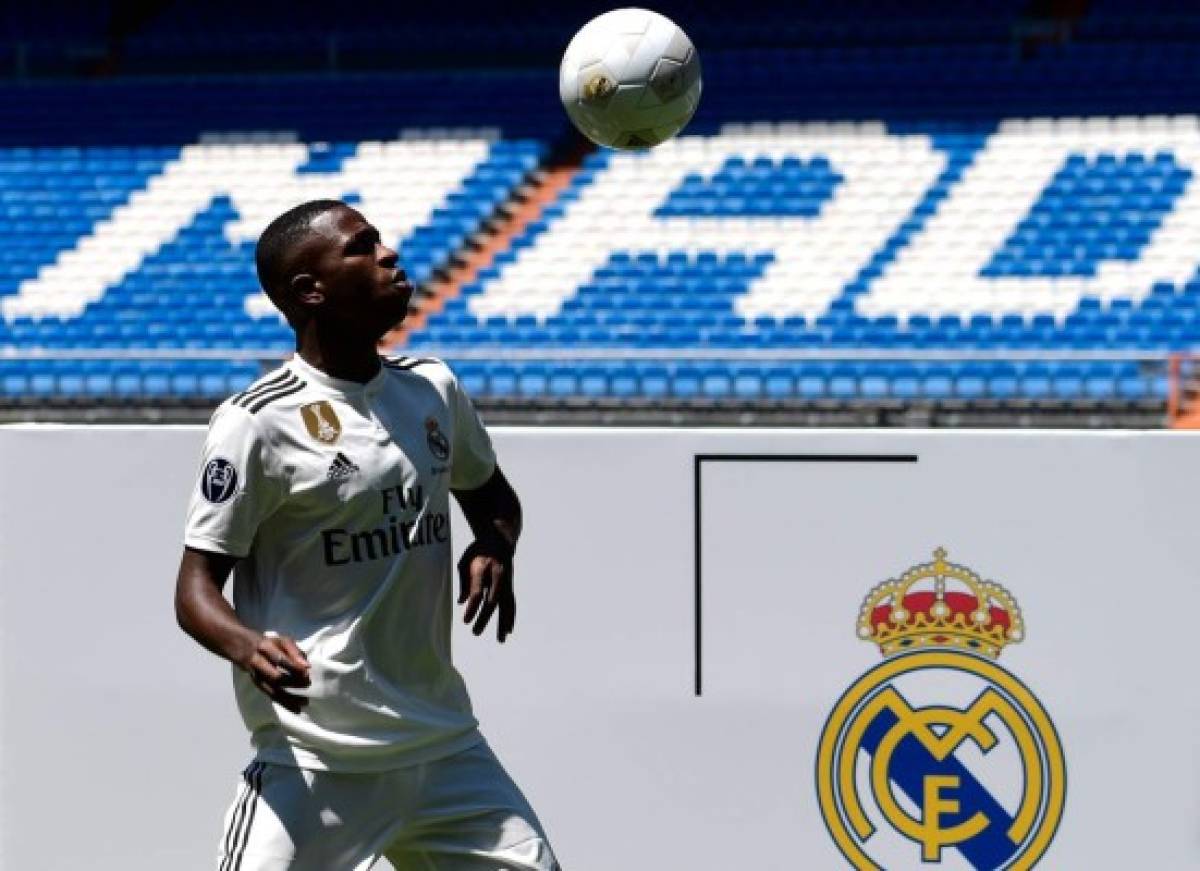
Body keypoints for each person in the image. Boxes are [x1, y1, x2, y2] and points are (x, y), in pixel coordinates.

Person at [175, 199, 559, 871]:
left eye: (380, 240)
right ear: (309, 290)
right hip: (315, 759)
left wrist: (496, 544)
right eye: (361, 247)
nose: (389, 254)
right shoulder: (256, 422)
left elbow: (492, 496)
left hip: (443, 748)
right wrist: (247, 645)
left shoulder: (432, 387)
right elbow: (195, 589)